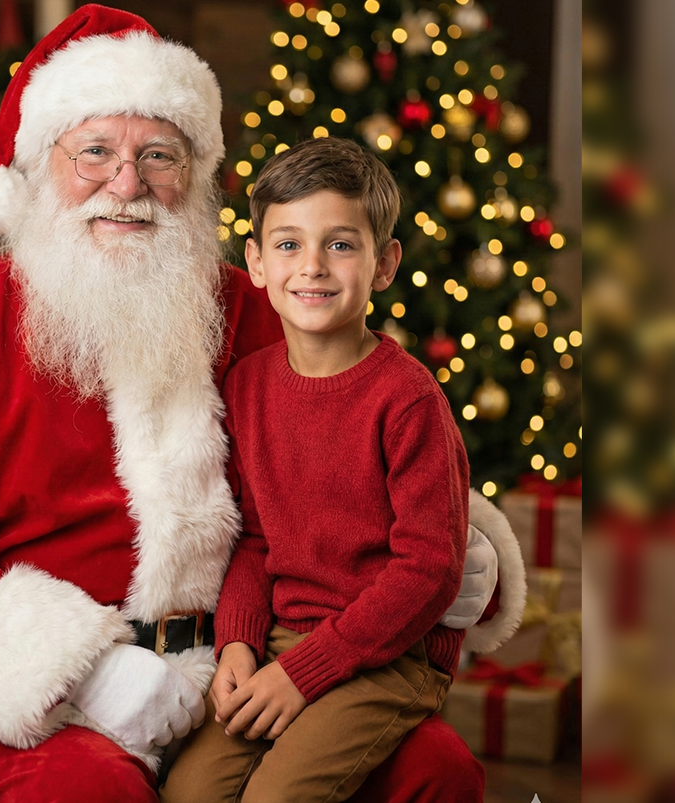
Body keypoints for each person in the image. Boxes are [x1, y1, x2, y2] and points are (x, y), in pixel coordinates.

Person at [0, 6, 524, 803]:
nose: (127, 184)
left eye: (158, 155)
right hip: (54, 704)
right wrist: (91, 674)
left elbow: (361, 440)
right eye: (94, 152)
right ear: (37, 167)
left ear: (195, 174)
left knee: (431, 771)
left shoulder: (256, 308)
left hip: (251, 665)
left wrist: (461, 541)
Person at [163, 137, 470, 803]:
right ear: (255, 262)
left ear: (383, 263)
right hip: (277, 638)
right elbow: (253, 538)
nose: (312, 266)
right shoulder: (246, 386)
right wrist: (238, 645)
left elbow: (429, 570)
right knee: (188, 790)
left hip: (388, 654)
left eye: (339, 244)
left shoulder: (407, 398)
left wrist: (306, 670)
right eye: (288, 244)